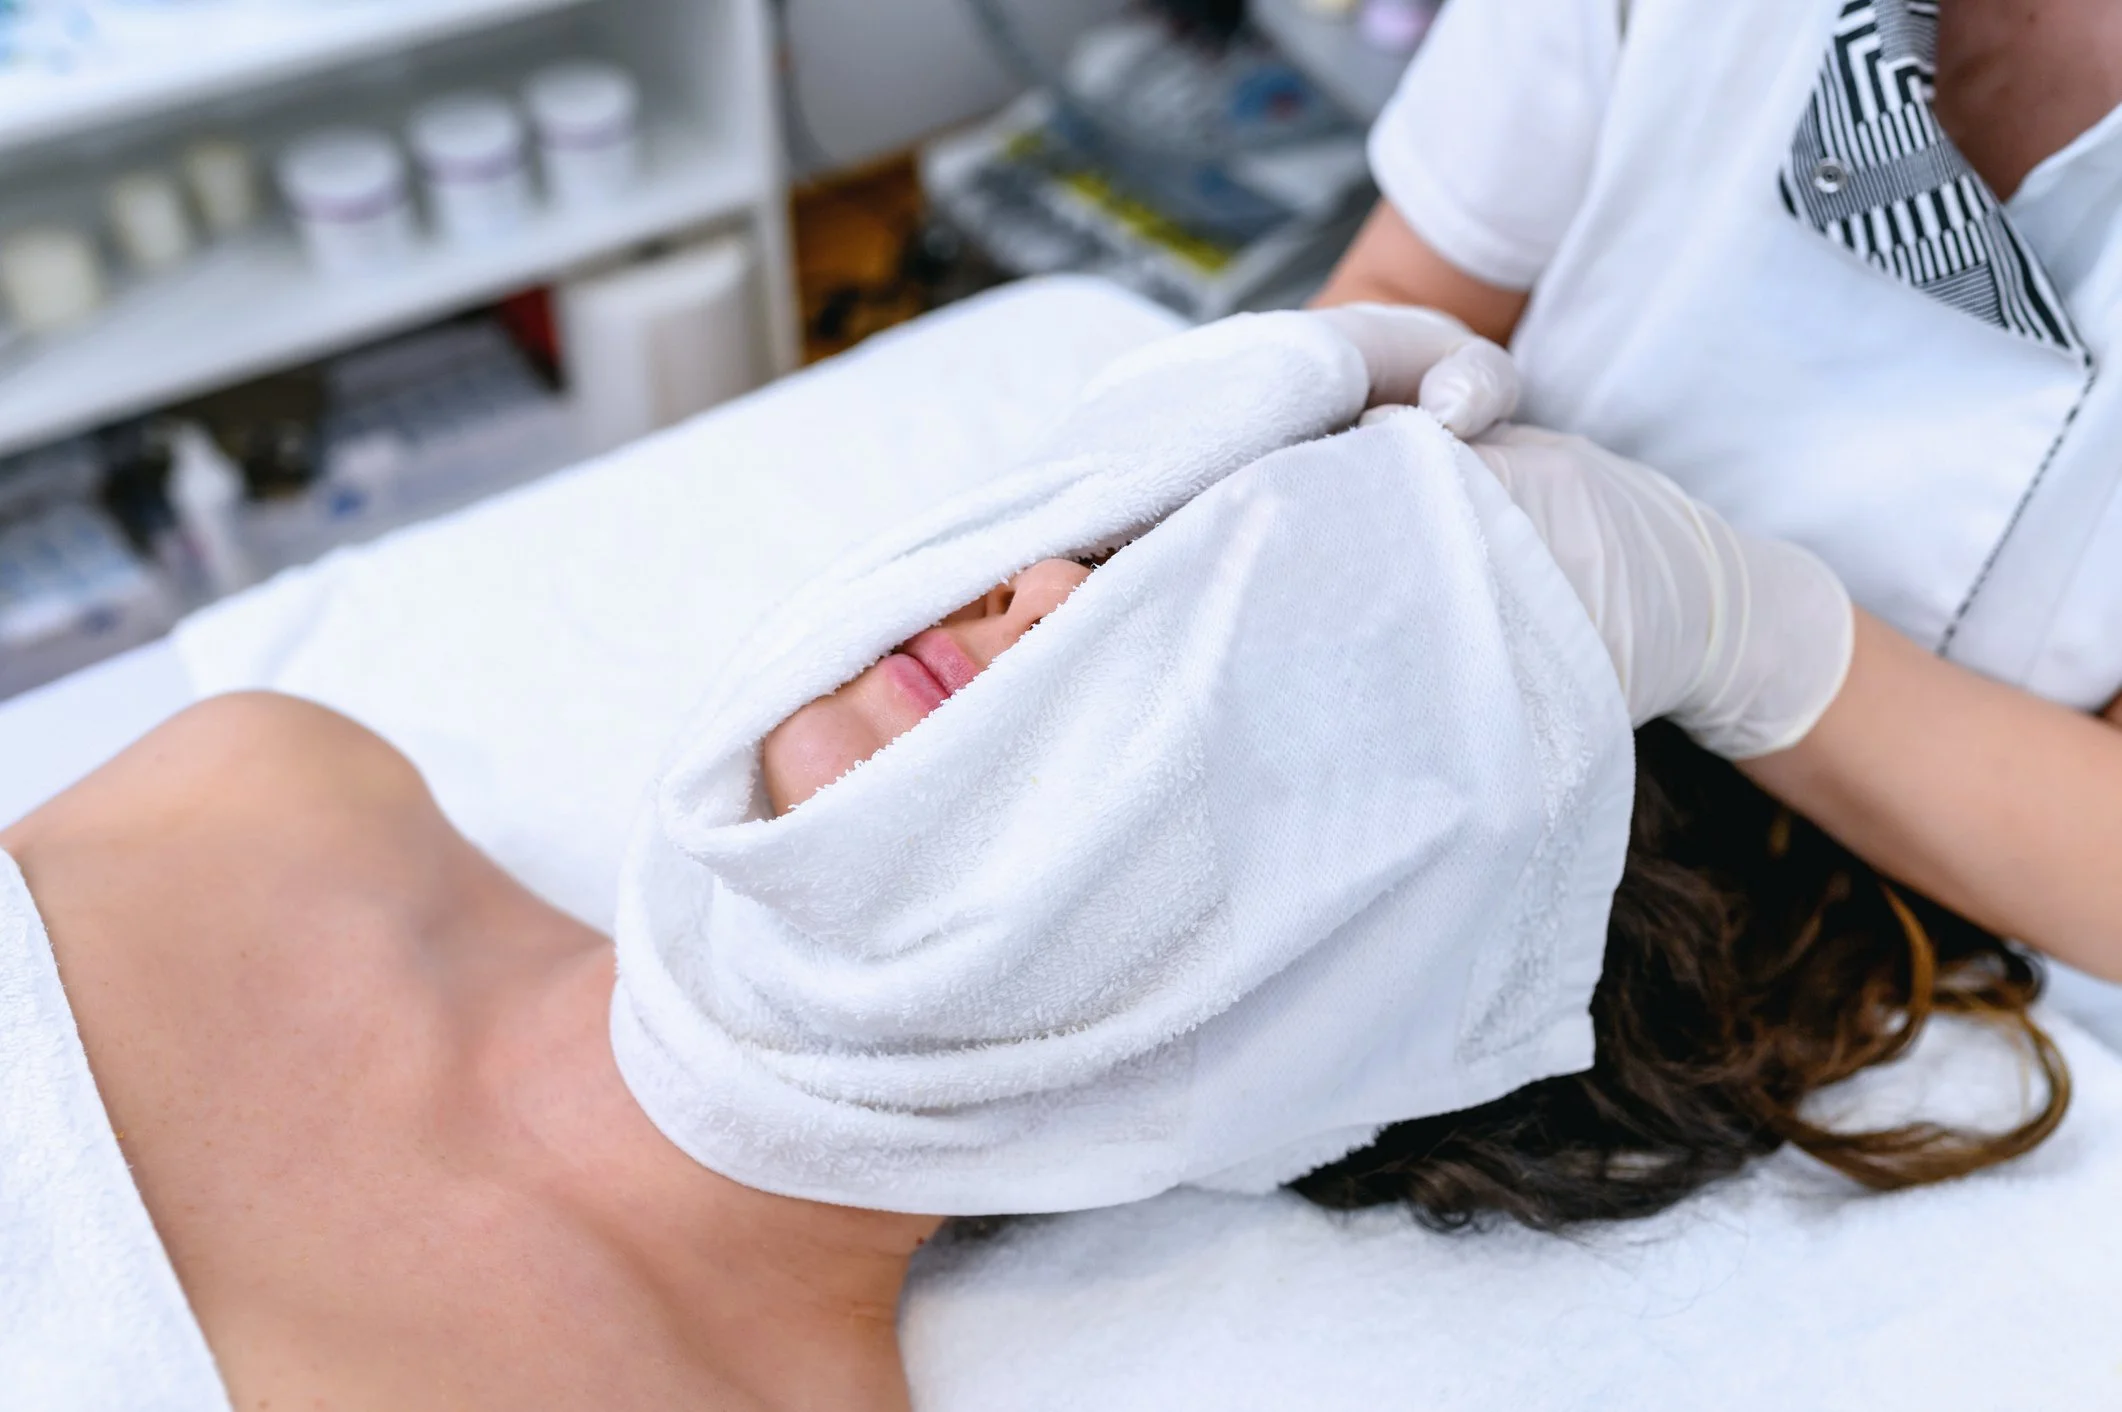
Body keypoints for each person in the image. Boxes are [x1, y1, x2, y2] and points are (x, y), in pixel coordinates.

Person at [0, 309, 2062, 1409]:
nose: (1044, 598)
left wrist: (1739, 628)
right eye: (1114, 523)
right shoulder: (278, 785)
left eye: (1223, 661)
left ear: (1280, 1016)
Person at [1314, 0, 2122, 984]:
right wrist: (1320, 407)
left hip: (1929, 963)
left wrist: (1736, 632)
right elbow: (1412, 278)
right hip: (1436, 730)